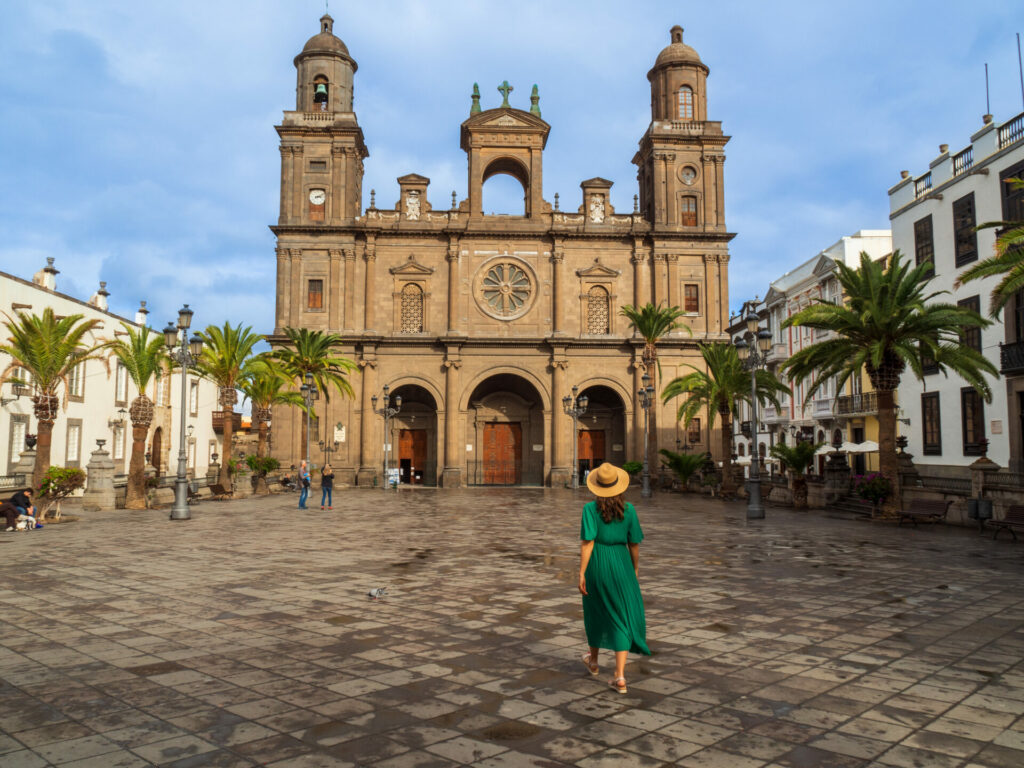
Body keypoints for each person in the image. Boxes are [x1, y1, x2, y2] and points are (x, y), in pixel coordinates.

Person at [578, 462, 650, 694]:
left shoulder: (590, 509)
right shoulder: (629, 510)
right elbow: (634, 544)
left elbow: (587, 543)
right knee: (621, 617)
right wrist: (635, 570)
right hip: (622, 563)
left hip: (597, 562)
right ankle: (619, 677)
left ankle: (594, 662)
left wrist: (581, 572)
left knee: (596, 612)